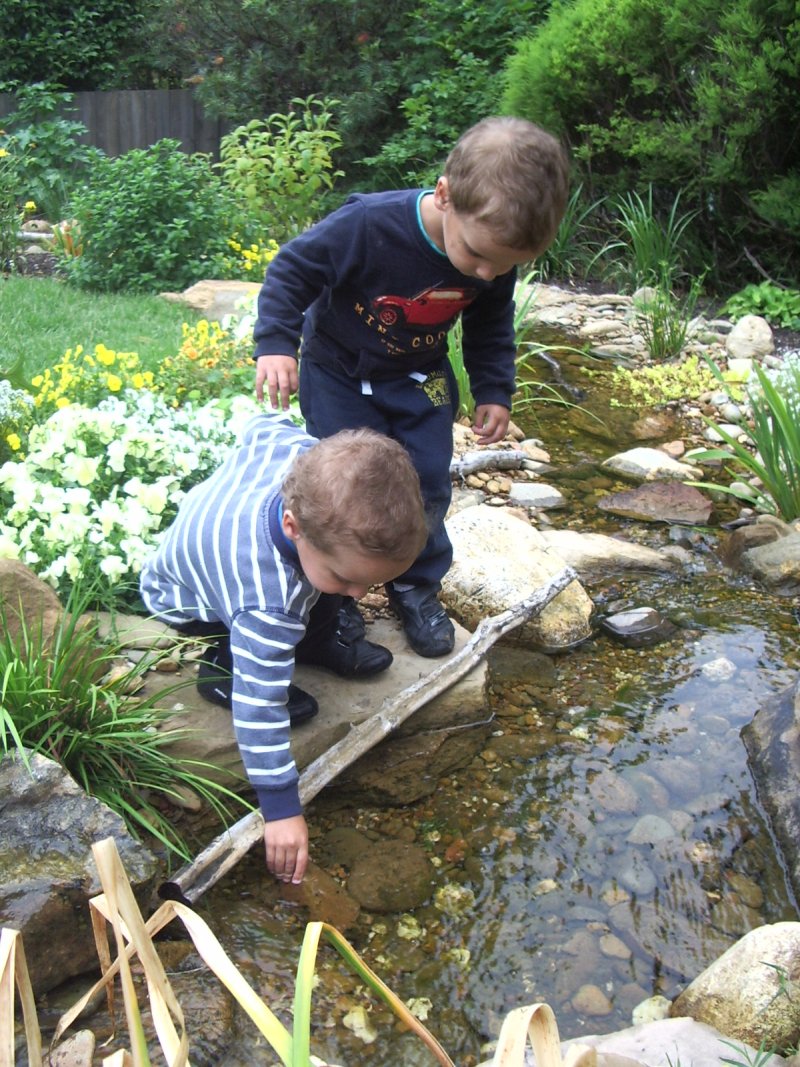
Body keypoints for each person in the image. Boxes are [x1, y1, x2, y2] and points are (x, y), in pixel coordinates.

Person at [252, 115, 570, 658]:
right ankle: (333, 602)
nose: (487, 275)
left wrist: (494, 388)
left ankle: (414, 586)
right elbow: (292, 270)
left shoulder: (492, 253)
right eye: (477, 257)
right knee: (342, 485)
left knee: (425, 480)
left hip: (418, 377)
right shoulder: (368, 225)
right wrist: (277, 343)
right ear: (445, 195)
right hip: (338, 371)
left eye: (505, 266)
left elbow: (491, 324)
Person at [140, 413, 428, 885]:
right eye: (349, 578)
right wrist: (281, 810)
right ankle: (222, 669)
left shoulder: (303, 459)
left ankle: (314, 644)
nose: (360, 594)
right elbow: (260, 711)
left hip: (233, 551)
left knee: (321, 587)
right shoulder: (265, 605)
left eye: (372, 582)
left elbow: (263, 422)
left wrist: (335, 583)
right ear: (293, 526)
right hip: (190, 601)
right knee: (267, 657)